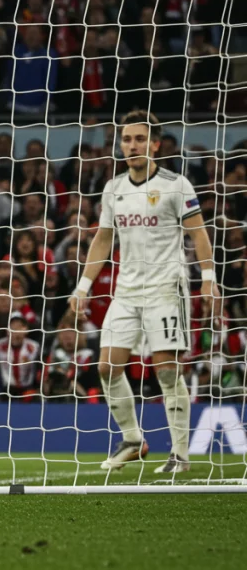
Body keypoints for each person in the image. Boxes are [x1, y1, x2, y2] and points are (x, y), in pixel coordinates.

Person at [70, 110, 218, 475]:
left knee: (166, 371)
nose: (132, 145)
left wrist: (208, 278)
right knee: (107, 366)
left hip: (166, 288)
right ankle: (133, 440)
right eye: (126, 139)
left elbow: (198, 233)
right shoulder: (114, 188)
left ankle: (180, 455)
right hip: (126, 291)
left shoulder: (175, 184)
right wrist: (83, 286)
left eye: (139, 139)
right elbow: (103, 239)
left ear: (154, 145)